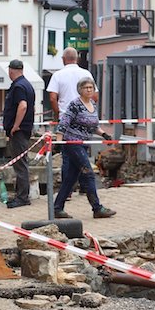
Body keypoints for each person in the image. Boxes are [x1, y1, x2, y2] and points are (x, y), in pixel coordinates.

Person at [52, 77, 115, 219]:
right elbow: (64, 122)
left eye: (91, 87)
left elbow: (93, 126)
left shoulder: (92, 104)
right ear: (80, 90)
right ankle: (97, 208)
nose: (89, 90)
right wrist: (59, 142)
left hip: (84, 144)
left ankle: (57, 208)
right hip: (73, 144)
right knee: (89, 173)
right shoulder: (75, 104)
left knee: (70, 178)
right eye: (86, 87)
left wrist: (104, 134)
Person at [47, 48, 95, 201]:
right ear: (77, 59)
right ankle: (87, 193)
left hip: (66, 122)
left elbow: (53, 98)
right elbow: (96, 96)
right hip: (82, 125)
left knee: (70, 160)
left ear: (63, 59)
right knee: (81, 159)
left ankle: (63, 198)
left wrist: (58, 115)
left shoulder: (58, 75)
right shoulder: (86, 74)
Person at [2, 59, 34, 208]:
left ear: (11, 70)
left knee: (20, 165)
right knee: (21, 163)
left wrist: (15, 126)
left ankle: (22, 197)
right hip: (24, 129)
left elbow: (23, 106)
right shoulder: (26, 84)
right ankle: (20, 195)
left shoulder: (19, 86)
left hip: (19, 131)